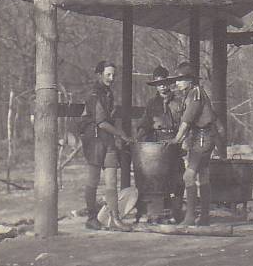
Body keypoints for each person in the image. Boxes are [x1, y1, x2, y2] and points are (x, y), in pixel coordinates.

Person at [79, 60, 134, 231]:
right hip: (95, 140)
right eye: (108, 74)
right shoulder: (94, 95)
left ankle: (115, 219)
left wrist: (116, 137)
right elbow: (101, 122)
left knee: (112, 179)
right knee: (93, 180)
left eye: (113, 74)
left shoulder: (109, 94)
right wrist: (121, 134)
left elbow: (110, 118)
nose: (111, 78)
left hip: (108, 140)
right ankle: (91, 218)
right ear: (99, 74)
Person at [167, 62, 217, 227]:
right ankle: (204, 216)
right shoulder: (191, 94)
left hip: (202, 137)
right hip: (200, 136)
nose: (178, 83)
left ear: (190, 80)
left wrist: (176, 140)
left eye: (181, 80)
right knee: (203, 175)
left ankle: (189, 217)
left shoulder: (195, 95)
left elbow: (186, 121)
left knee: (189, 175)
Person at [136, 66, 184, 222]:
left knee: (178, 178)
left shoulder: (179, 101)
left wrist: (181, 141)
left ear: (169, 83)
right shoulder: (151, 104)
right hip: (157, 146)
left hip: (176, 143)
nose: (162, 86)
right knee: (158, 178)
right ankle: (159, 212)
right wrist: (137, 140)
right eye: (159, 83)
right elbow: (145, 124)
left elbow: (187, 123)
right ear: (155, 85)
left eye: (165, 83)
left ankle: (176, 212)